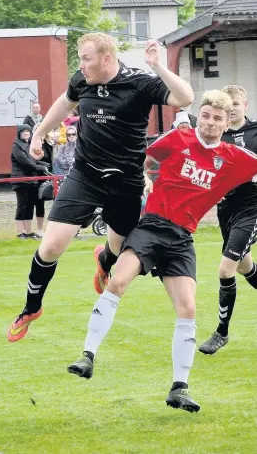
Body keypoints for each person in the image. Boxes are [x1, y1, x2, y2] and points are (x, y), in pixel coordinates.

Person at [67, 90, 257, 412]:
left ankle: (178, 389)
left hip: (183, 238)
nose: (210, 123)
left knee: (188, 308)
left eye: (217, 119)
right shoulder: (179, 138)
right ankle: (87, 356)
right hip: (152, 225)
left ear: (227, 123)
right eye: (206, 116)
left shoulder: (235, 158)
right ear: (201, 115)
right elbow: (142, 157)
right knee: (118, 283)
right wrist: (141, 177)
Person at [6, 33, 194, 342]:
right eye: (80, 58)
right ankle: (31, 308)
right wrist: (39, 134)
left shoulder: (140, 83)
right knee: (51, 246)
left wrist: (158, 65)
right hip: (85, 175)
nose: (81, 65)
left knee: (118, 250)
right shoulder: (83, 79)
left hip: (126, 182)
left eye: (86, 58)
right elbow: (65, 103)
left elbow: (185, 98)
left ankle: (104, 260)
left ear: (106, 59)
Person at [200, 85, 257, 354]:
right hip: (227, 210)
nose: (232, 107)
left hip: (253, 207)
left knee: (226, 269)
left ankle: (221, 333)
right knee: (245, 267)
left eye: (236, 102)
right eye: (228, 104)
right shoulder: (216, 136)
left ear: (245, 104)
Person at [11, 124, 51, 239]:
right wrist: (41, 167)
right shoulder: (16, 146)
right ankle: (20, 232)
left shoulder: (29, 146)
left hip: (31, 180)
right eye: (23, 131)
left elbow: (33, 161)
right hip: (20, 180)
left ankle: (28, 231)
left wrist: (44, 164)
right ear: (19, 133)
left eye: (27, 131)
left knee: (29, 206)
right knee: (22, 205)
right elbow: (25, 162)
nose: (25, 133)